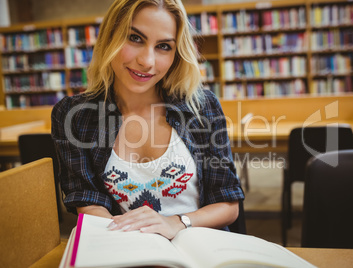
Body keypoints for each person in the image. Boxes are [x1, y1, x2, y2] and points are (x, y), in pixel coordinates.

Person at [51, 0, 244, 240]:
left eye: (163, 46)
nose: (147, 61)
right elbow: (88, 203)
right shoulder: (75, 115)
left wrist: (177, 223)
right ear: (110, 37)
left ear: (176, 53)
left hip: (200, 247)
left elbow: (228, 204)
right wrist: (141, 244)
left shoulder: (202, 107)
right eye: (135, 38)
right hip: (126, 247)